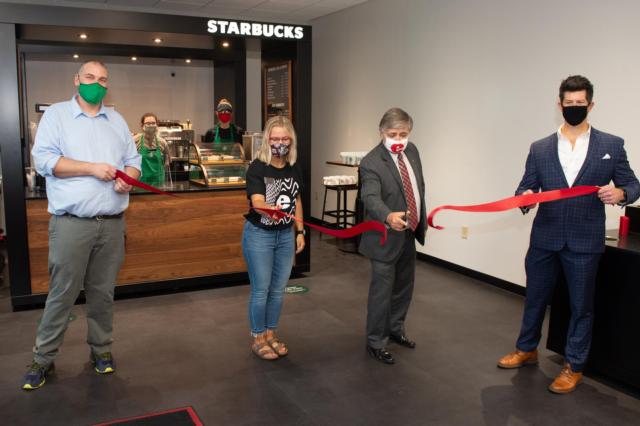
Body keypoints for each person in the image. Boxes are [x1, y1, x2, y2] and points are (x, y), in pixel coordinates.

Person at [497, 75, 640, 394]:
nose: (574, 108)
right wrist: (525, 197)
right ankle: (526, 348)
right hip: (544, 239)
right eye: (568, 103)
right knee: (534, 299)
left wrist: (620, 194)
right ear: (559, 105)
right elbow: (526, 186)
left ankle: (573, 365)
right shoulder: (540, 148)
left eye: (580, 104)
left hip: (584, 241)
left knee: (581, 306)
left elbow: (633, 185)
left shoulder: (611, 145)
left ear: (591, 105)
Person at [24, 60, 142, 390]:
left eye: (103, 79)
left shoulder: (117, 121)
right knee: (62, 294)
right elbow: (45, 161)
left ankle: (101, 351)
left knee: (102, 294)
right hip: (72, 224)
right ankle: (42, 358)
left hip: (112, 224)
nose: (97, 83)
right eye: (90, 77)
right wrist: (91, 168)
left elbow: (134, 162)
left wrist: (127, 180)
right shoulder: (57, 116)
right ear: (77, 80)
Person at [358, 107, 427, 365]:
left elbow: (418, 185)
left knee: (404, 289)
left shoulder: (413, 151)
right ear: (381, 132)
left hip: (409, 232)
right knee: (382, 292)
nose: (398, 139)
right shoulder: (371, 162)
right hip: (385, 236)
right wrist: (388, 216)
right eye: (392, 134)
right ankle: (375, 341)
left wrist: (419, 216)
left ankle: (396, 329)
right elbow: (370, 197)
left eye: (403, 134)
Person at [242, 115, 305, 360]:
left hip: (285, 235)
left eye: (284, 138)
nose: (280, 142)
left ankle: (271, 333)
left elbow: (297, 199)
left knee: (278, 290)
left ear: (291, 140)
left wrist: (300, 230)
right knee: (261, 290)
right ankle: (258, 336)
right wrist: (272, 208)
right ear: (268, 140)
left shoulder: (294, 167)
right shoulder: (258, 167)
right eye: (275, 138)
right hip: (259, 235)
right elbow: (257, 203)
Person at [134, 112, 169, 186]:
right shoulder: (135, 141)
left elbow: (167, 161)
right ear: (142, 126)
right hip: (141, 183)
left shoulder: (162, 142)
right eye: (148, 123)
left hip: (159, 183)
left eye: (153, 123)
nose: (151, 125)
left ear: (157, 125)